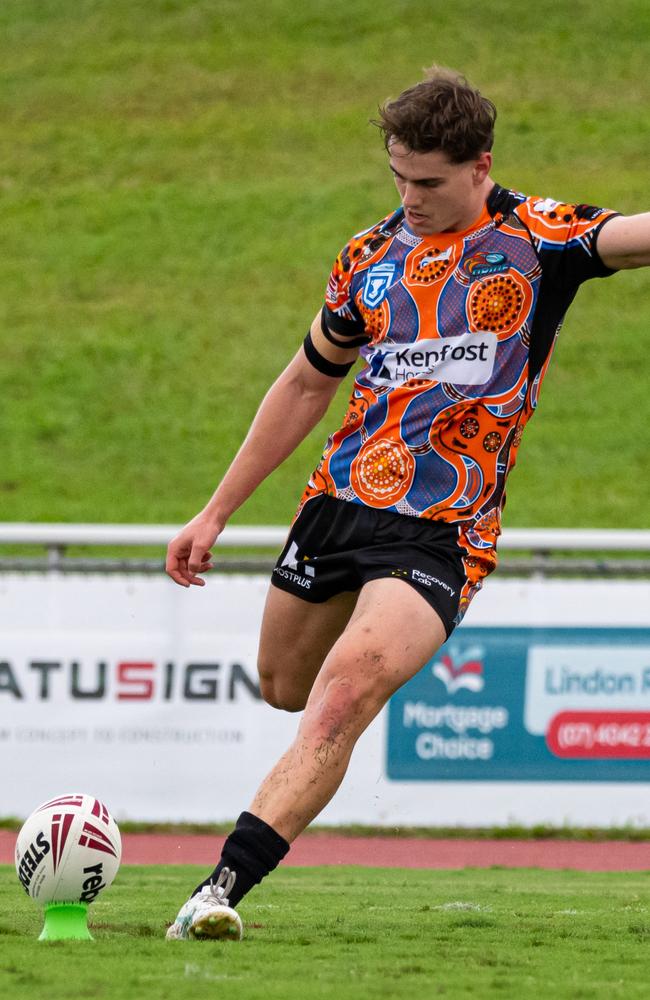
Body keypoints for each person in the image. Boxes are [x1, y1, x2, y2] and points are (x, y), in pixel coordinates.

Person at [164, 66, 650, 941]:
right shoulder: (369, 257)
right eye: (398, 177)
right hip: (340, 503)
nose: (410, 197)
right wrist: (215, 513)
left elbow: (636, 234)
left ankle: (217, 891)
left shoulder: (541, 237)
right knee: (285, 687)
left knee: (342, 698)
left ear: (480, 166)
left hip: (444, 530)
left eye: (428, 182)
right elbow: (307, 385)